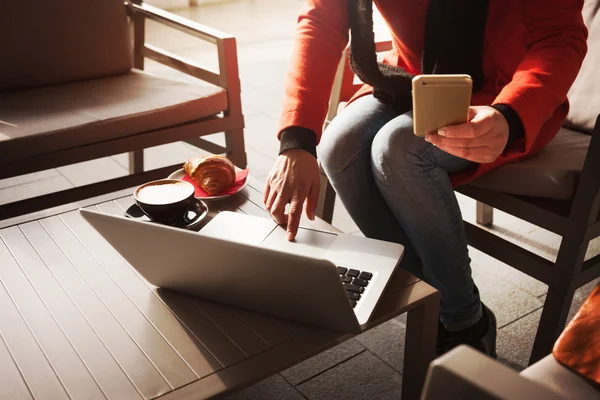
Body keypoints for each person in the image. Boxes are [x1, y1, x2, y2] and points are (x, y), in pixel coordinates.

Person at [263, 0, 588, 357]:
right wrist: (296, 140)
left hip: (505, 98)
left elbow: (559, 36)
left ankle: (462, 321)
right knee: (338, 148)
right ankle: (444, 307)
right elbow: (321, 21)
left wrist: (511, 115)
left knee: (398, 149)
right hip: (410, 78)